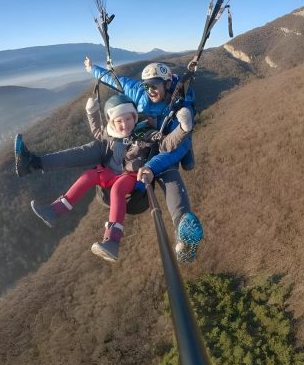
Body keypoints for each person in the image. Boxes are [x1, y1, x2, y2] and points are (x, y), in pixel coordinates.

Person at [25, 94, 186, 263]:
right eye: (119, 121)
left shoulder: (144, 134)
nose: (125, 125)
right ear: (112, 122)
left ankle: (112, 241)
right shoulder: (110, 134)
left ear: (134, 117)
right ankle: (54, 211)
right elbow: (97, 130)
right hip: (111, 173)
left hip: (131, 175)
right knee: (88, 176)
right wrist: (92, 111)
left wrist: (182, 129)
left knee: (117, 189)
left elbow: (166, 143)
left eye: (129, 119)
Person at [84, 57, 202, 262]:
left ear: (166, 84)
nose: (150, 90)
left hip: (167, 147)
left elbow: (178, 148)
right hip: (142, 146)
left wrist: (151, 166)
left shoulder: (181, 106)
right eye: (147, 86)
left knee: (170, 175)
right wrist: (92, 69)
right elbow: (115, 80)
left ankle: (185, 232)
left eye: (154, 86)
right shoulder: (140, 92)